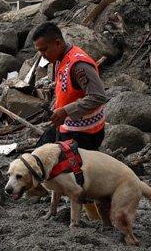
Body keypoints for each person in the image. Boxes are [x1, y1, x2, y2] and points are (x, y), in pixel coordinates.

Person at [31, 21, 109, 219]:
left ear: (57, 43)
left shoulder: (79, 65)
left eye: (44, 50)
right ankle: (51, 205)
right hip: (68, 125)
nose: (42, 55)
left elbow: (98, 96)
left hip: (85, 132)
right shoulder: (59, 59)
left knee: (80, 177)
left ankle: (95, 216)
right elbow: (67, 91)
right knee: (44, 158)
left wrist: (66, 110)